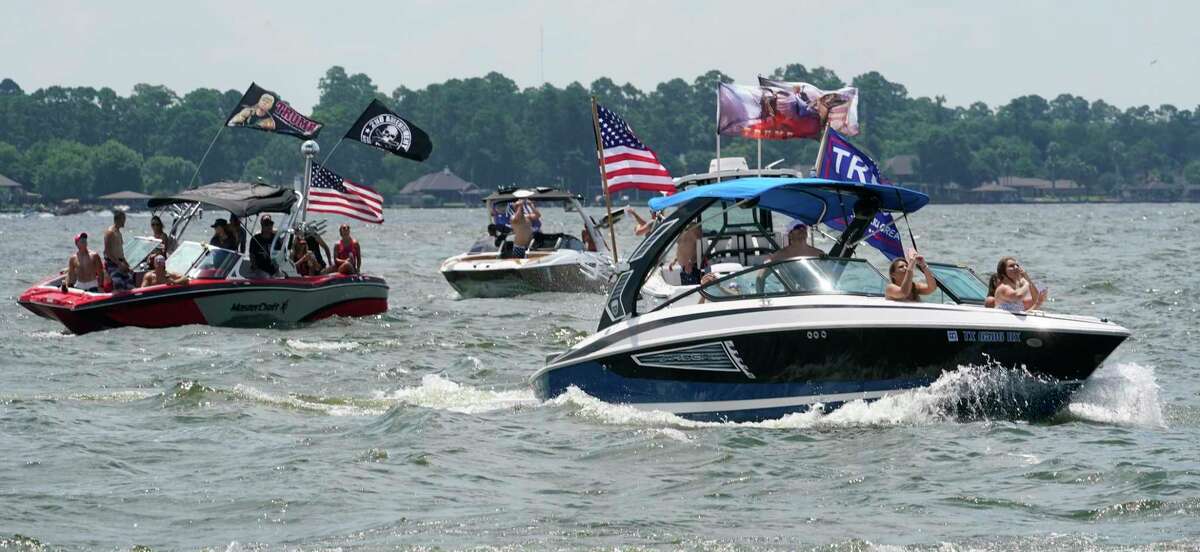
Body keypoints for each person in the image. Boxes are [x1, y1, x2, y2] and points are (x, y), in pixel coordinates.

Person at [103, 210, 134, 291]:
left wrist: (127, 264)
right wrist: (119, 264)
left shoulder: (118, 233)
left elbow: (120, 252)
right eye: (123, 219)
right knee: (119, 284)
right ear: (118, 219)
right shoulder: (110, 232)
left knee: (130, 284)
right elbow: (107, 252)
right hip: (112, 264)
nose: (124, 221)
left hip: (120, 262)